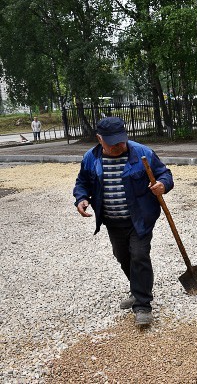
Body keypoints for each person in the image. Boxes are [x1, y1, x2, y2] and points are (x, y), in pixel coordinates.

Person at [73, 117, 174, 327]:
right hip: (112, 220)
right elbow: (82, 182)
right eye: (112, 143)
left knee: (139, 254)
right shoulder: (91, 158)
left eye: (121, 141)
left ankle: (143, 306)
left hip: (140, 219)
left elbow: (165, 173)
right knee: (122, 256)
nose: (119, 146)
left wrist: (162, 185)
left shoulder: (142, 153)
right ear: (99, 139)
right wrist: (81, 198)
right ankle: (138, 290)